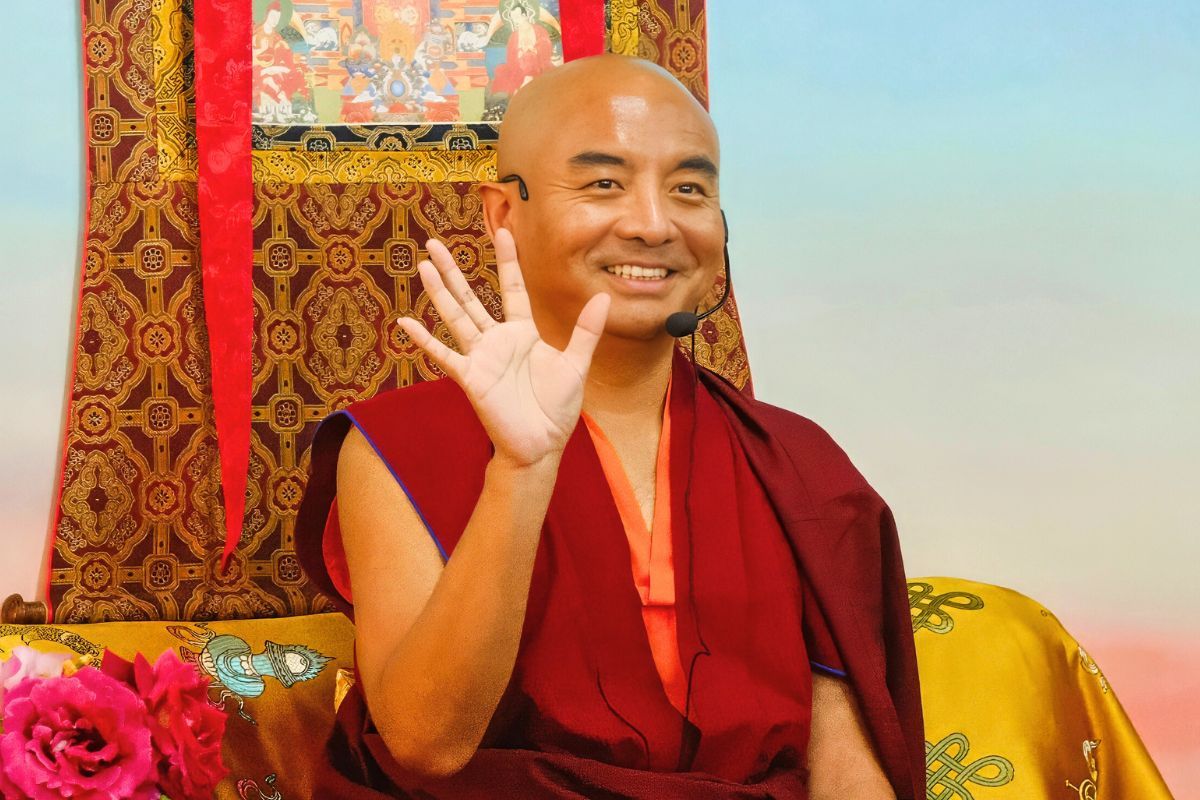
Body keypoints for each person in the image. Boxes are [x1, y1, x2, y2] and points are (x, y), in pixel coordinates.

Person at [296, 54, 924, 798]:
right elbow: (426, 744)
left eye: (689, 189)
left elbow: (842, 761)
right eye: (603, 184)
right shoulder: (399, 446)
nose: (653, 224)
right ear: (504, 214)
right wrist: (521, 473)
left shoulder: (795, 463)